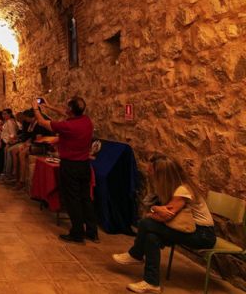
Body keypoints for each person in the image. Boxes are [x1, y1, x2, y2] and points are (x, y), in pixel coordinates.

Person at [112, 154, 216, 293]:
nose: (148, 172)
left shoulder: (182, 190)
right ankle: (152, 283)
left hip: (202, 235)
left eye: (151, 170)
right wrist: (156, 209)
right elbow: (160, 212)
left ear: (162, 173)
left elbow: (164, 216)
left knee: (145, 223)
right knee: (151, 237)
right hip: (189, 229)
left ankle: (136, 255)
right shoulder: (172, 187)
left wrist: (154, 210)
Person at [33, 96, 98, 244]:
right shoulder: (87, 121)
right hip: (84, 165)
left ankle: (77, 234)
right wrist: (49, 107)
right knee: (86, 198)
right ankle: (92, 232)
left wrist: (36, 108)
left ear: (70, 110)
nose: (65, 109)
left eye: (67, 107)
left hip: (71, 166)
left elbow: (42, 122)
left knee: (73, 200)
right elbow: (64, 112)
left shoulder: (67, 126)